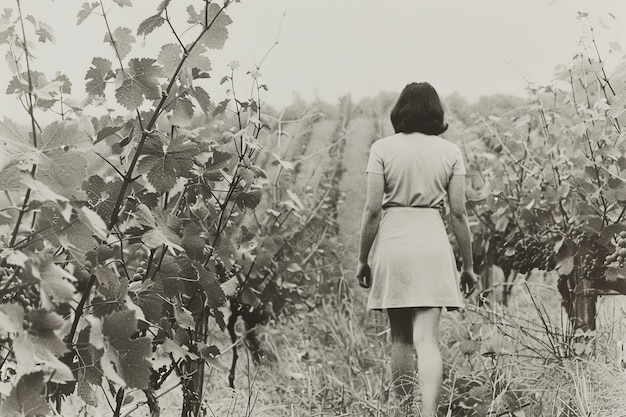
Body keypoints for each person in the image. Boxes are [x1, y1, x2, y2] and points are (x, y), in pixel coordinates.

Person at [356, 82, 477, 416]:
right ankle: (428, 414)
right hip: (433, 242)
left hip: (394, 243)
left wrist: (362, 259)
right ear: (436, 112)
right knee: (428, 340)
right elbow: (458, 212)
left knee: (401, 340)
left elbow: (372, 210)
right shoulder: (450, 152)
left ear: (400, 111)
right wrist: (467, 266)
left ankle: (406, 411)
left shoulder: (382, 148)